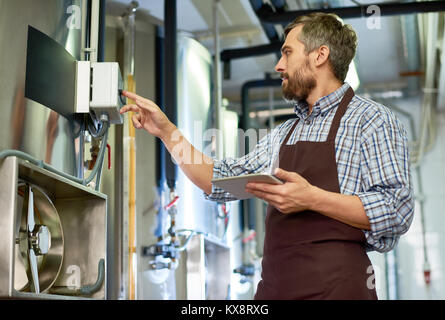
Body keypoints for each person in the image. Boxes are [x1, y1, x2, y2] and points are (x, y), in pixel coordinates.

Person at [120, 12, 414, 300]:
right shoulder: (284, 133)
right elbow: (218, 180)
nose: (279, 65)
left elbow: (396, 208)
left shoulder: (371, 120)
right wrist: (168, 132)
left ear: (320, 55)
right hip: (276, 287)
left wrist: (311, 198)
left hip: (338, 289)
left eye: (287, 53)